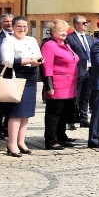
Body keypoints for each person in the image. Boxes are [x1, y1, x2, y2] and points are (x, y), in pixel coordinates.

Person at [0, 16, 44, 157]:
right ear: (13, 27)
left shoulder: (32, 40)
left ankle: (21, 142)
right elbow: (7, 60)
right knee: (16, 112)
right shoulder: (8, 41)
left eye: (25, 26)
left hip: (31, 77)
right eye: (19, 26)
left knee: (26, 113)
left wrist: (38, 61)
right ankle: (11, 144)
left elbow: (38, 55)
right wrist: (28, 60)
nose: (22, 29)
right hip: (18, 76)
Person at [41, 19, 80, 150]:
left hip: (69, 86)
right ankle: (51, 140)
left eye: (65, 30)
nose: (64, 33)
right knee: (54, 114)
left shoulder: (66, 44)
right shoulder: (49, 45)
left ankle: (61, 136)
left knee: (64, 113)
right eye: (60, 30)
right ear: (52, 32)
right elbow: (47, 67)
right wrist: (49, 86)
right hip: (58, 85)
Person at [67, 15, 94, 130]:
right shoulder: (70, 38)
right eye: (83, 23)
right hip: (78, 71)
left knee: (85, 97)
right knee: (75, 97)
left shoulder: (89, 38)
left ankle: (84, 119)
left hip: (90, 70)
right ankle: (71, 120)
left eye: (86, 22)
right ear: (76, 24)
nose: (86, 24)